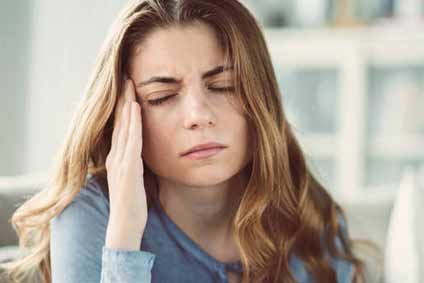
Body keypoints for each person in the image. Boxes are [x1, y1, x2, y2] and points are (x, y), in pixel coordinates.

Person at [1, 0, 367, 282]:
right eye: (162, 96)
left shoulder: (307, 210)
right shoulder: (91, 212)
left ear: (261, 97)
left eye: (224, 86)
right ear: (122, 114)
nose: (198, 115)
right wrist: (124, 238)